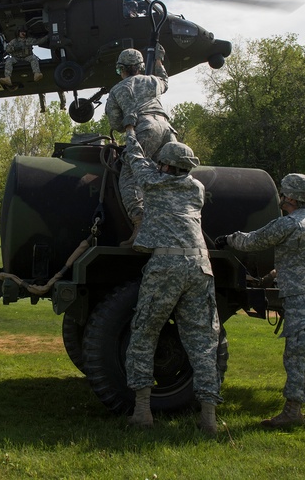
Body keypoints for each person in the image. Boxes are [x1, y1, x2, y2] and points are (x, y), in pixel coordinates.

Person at [215, 173, 305, 427]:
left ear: (290, 197)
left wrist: (227, 240)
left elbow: (254, 240)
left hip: (302, 298)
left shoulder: (290, 224)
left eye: (283, 193)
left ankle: (293, 412)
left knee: (298, 356)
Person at [123, 126, 221, 436]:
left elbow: (136, 161)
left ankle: (142, 412)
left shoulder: (154, 182)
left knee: (144, 334)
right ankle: (209, 418)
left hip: (167, 264)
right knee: (204, 343)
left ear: (165, 165)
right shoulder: (197, 189)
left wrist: (130, 134)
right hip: (200, 266)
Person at [104, 47, 175, 245]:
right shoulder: (153, 81)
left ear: (122, 69)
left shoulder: (117, 90)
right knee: (172, 176)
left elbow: (117, 123)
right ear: (140, 67)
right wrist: (159, 61)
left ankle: (141, 226)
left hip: (144, 130)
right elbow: (165, 83)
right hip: (167, 130)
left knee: (129, 175)